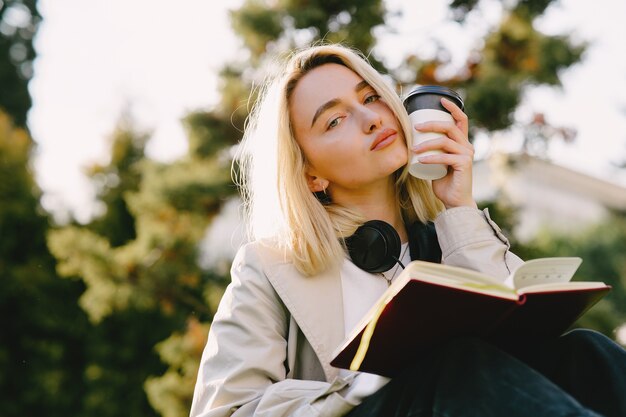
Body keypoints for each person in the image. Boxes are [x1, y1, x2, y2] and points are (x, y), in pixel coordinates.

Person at [190, 43, 626, 417]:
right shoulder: (267, 266)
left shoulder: (447, 231)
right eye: (334, 121)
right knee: (456, 363)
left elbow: (520, 357)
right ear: (310, 175)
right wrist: (361, 387)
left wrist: (458, 207)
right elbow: (228, 409)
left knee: (584, 352)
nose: (371, 118)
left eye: (370, 98)